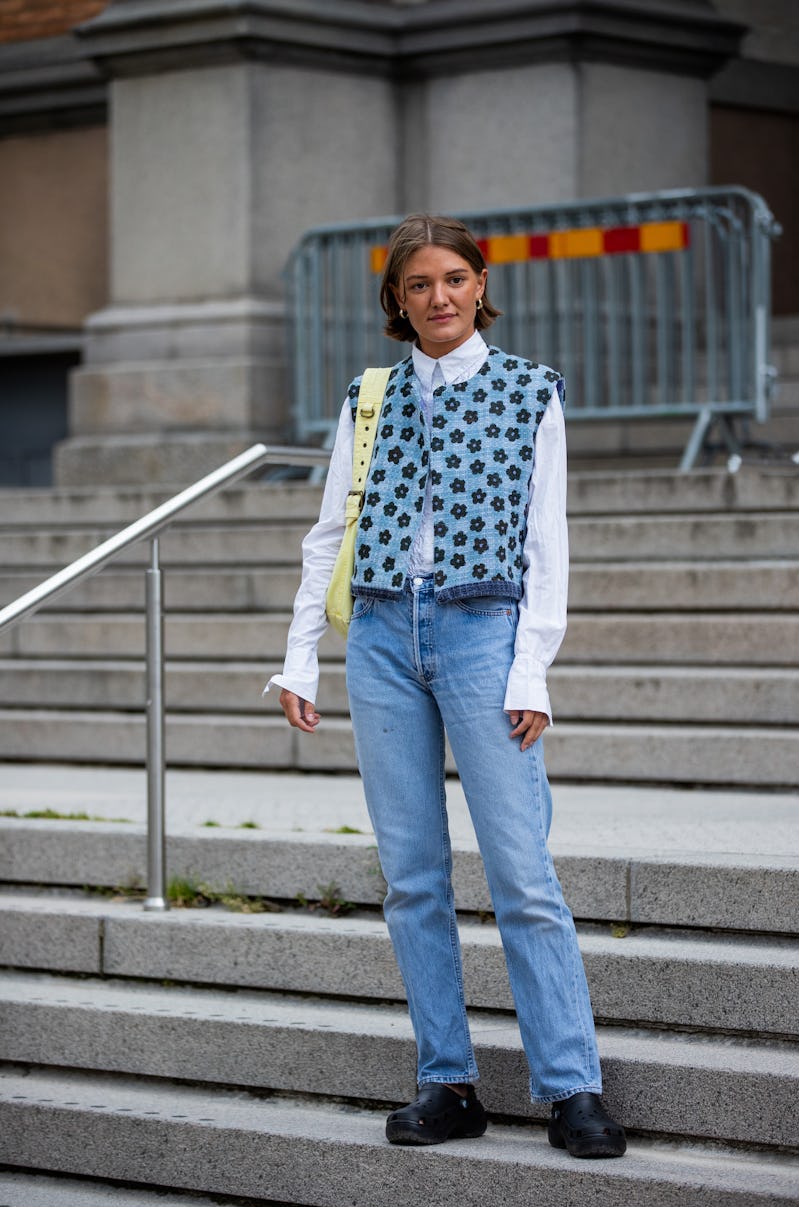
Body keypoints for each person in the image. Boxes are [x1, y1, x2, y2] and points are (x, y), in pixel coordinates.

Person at [268, 213, 626, 1159]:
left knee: (521, 871)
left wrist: (532, 668)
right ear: (397, 299)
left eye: (455, 279)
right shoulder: (368, 396)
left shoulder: (530, 391)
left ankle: (571, 1086)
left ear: (480, 286)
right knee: (412, 878)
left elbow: (548, 546)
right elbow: (328, 536)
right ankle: (445, 1082)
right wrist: (300, 656)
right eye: (419, 284)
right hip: (383, 633)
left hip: (483, 635)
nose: (439, 298)